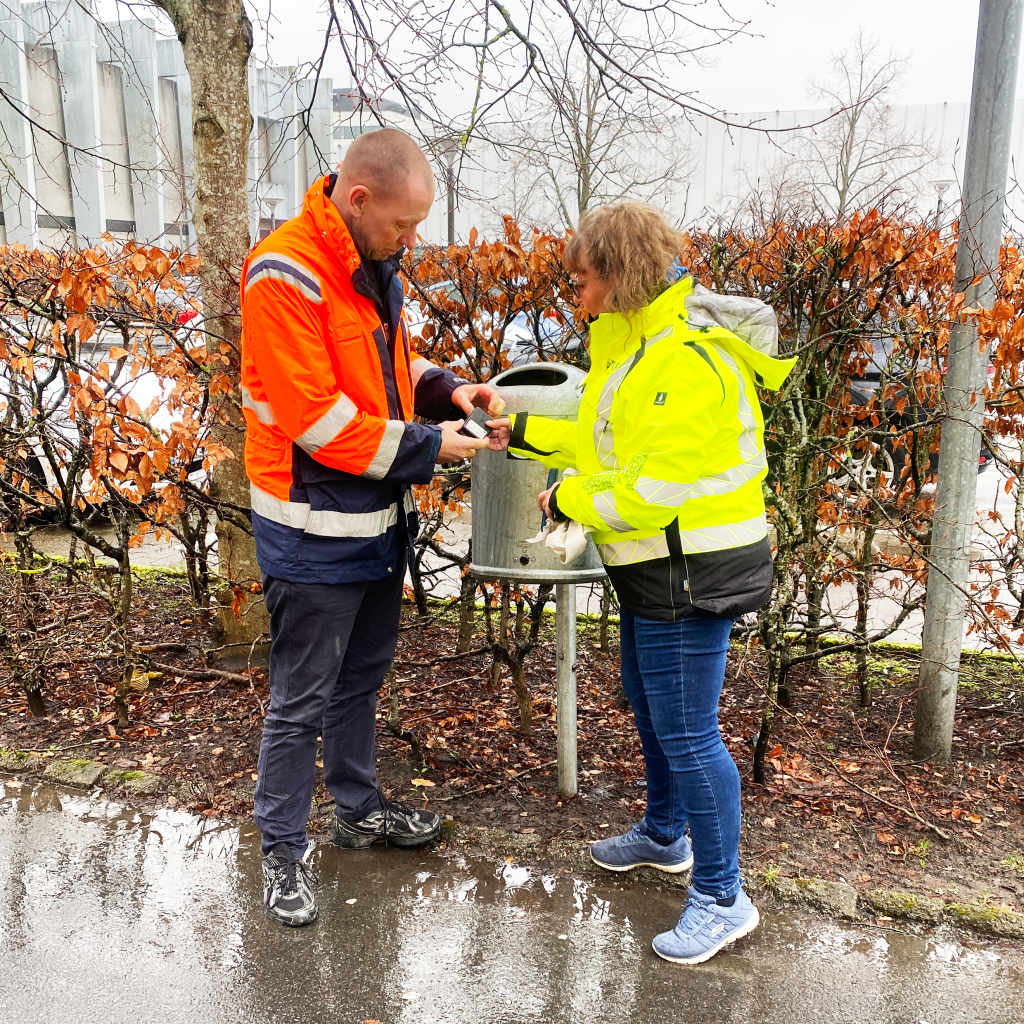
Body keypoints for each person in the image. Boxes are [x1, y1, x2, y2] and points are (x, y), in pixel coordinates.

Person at [490, 201, 795, 964]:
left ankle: (723, 897)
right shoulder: (636, 350)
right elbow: (606, 442)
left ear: (621, 275)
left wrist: (566, 498)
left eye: (587, 281)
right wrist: (519, 430)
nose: (579, 296)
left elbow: (650, 487)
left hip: (691, 572)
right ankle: (666, 835)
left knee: (690, 733)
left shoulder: (686, 360)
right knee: (654, 709)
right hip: (654, 568)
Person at [241, 129, 502, 927]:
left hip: (374, 526)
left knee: (358, 681)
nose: (410, 241)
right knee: (300, 699)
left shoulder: (369, 261)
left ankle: (356, 810)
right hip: (312, 532)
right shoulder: (284, 274)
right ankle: (283, 848)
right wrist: (434, 446)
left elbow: (392, 368)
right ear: (359, 200)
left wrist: (450, 391)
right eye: (403, 227)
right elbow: (319, 421)